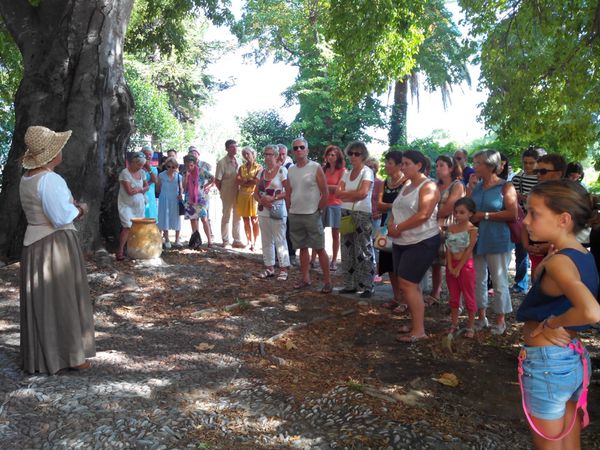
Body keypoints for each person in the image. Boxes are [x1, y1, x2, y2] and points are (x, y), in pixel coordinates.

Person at [516, 179, 600, 449]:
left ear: (563, 219)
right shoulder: (581, 254)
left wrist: (555, 322)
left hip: (549, 365)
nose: (526, 220)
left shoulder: (561, 262)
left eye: (533, 213)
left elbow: (591, 311)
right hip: (570, 359)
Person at [19, 125, 95, 373]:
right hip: (54, 245)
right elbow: (61, 216)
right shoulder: (50, 179)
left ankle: (43, 356)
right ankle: (71, 356)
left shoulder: (27, 178)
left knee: (44, 301)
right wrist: (80, 208)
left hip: (34, 244)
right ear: (51, 155)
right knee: (62, 299)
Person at [387, 150, 441, 342]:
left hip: (422, 240)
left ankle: (419, 331)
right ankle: (415, 324)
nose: (402, 167)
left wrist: (398, 227)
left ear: (419, 165)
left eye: (406, 163)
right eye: (402, 163)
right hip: (402, 240)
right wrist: (391, 224)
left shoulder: (429, 186)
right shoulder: (407, 185)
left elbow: (424, 214)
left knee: (408, 284)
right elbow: (396, 207)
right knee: (409, 286)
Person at [468, 149, 518, 335]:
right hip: (477, 240)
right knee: (477, 280)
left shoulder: (506, 187)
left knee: (498, 281)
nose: (474, 167)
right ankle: (482, 318)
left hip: (498, 240)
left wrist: (485, 215)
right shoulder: (477, 186)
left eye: (478, 163)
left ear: (490, 165)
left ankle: (500, 320)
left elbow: (512, 214)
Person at [286, 137, 332, 293]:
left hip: (311, 214)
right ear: (292, 151)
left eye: (301, 147)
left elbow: (325, 192)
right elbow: (289, 191)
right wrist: (288, 207)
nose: (298, 150)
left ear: (307, 149)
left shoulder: (315, 167)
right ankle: (305, 278)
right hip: (295, 214)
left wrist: (318, 209)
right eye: (295, 148)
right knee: (302, 248)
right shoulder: (290, 169)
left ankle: (327, 281)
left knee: (319, 248)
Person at [336, 142, 375, 298]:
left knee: (364, 249)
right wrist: (351, 193)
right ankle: (349, 284)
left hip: (362, 213)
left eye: (357, 154)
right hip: (346, 212)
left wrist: (346, 193)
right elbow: (338, 193)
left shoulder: (367, 172)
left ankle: (367, 285)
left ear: (363, 155)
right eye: (351, 153)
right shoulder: (347, 173)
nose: (353, 156)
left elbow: (363, 194)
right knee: (347, 249)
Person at [522, 153, 567, 277]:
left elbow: (574, 229)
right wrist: (526, 244)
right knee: (537, 285)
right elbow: (526, 220)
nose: (538, 175)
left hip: (558, 253)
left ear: (558, 173)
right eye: (537, 171)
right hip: (535, 250)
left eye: (543, 171)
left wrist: (550, 245)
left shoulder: (567, 197)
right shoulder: (536, 193)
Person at [430, 155, 465, 304]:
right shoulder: (434, 185)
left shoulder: (457, 185)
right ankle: (435, 293)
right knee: (435, 263)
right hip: (433, 228)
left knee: (455, 263)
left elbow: (449, 207)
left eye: (442, 165)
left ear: (451, 168)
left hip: (452, 228)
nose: (438, 168)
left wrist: (426, 214)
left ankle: (457, 299)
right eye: (436, 165)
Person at [377, 151, 408, 314]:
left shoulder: (407, 183)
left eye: (389, 162)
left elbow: (406, 206)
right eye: (386, 162)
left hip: (402, 227)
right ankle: (396, 297)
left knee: (401, 265)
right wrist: (394, 206)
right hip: (385, 228)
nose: (386, 165)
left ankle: (405, 300)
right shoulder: (385, 182)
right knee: (389, 263)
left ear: (398, 164)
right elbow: (379, 205)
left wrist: (390, 206)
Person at [254, 144, 290, 280]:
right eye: (265, 154)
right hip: (263, 210)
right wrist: (262, 201)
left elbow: (287, 191)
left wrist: (273, 197)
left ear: (275, 156)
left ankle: (284, 268)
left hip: (277, 210)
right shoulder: (261, 172)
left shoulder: (282, 171)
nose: (267, 157)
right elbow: (255, 193)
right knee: (266, 239)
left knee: (280, 239)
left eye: (269, 154)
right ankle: (269, 267)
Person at [445, 197, 478, 338]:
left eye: (462, 212)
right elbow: (448, 248)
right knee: (453, 296)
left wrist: (458, 267)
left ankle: (471, 326)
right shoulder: (451, 228)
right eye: (456, 212)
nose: (458, 215)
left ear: (470, 213)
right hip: (451, 266)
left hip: (465, 266)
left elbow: (469, 249)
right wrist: (450, 265)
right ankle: (454, 324)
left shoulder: (472, 229)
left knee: (468, 295)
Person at [310, 145, 345, 271]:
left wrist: (324, 186)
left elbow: (339, 189)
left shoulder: (342, 171)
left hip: (336, 204)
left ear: (338, 157)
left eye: (333, 155)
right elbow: (316, 185)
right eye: (328, 154)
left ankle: (334, 261)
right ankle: (313, 259)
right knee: (318, 231)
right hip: (322, 202)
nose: (330, 157)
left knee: (336, 234)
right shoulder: (322, 169)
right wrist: (328, 187)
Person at [511, 146, 541, 293]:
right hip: (523, 219)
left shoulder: (541, 178)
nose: (528, 166)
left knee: (537, 253)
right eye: (525, 162)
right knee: (521, 253)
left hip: (539, 221)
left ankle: (538, 285)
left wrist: (527, 198)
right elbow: (513, 199)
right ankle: (521, 283)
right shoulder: (517, 178)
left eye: (531, 162)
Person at [117, 152, 149, 260]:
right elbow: (129, 191)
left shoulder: (142, 172)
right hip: (126, 204)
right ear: (132, 163)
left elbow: (146, 187)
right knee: (127, 227)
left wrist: (139, 189)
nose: (140, 167)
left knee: (138, 228)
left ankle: (135, 250)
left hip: (139, 205)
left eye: (141, 166)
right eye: (138, 165)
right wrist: (141, 190)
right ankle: (120, 251)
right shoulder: (124, 173)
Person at [215, 139, 244, 248]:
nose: (234, 148)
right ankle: (225, 240)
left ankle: (236, 240)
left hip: (239, 193)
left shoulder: (239, 161)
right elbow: (217, 180)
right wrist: (222, 191)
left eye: (236, 146)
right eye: (232, 147)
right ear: (227, 149)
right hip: (227, 193)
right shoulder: (222, 162)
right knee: (226, 216)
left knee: (237, 216)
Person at [183, 154, 213, 248]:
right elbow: (184, 188)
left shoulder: (201, 171)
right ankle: (196, 241)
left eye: (191, 165)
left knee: (204, 219)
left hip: (201, 199)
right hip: (189, 200)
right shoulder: (185, 173)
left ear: (195, 164)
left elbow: (213, 178)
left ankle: (209, 241)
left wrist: (206, 186)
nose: (189, 167)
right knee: (193, 220)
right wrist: (187, 177)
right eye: (187, 166)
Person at [236, 146, 261, 251]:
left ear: (253, 154)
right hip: (242, 195)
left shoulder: (259, 167)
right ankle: (249, 241)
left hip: (254, 195)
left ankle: (255, 242)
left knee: (254, 219)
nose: (246, 156)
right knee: (245, 220)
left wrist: (246, 180)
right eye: (244, 154)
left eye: (248, 154)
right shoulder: (241, 168)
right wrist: (248, 180)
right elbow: (238, 181)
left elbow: (257, 181)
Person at [157, 156, 183, 248]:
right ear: (166, 166)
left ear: (176, 167)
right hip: (164, 198)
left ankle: (177, 239)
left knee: (176, 218)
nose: (171, 169)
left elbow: (181, 188)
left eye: (173, 167)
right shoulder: (161, 175)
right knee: (164, 218)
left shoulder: (179, 176)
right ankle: (167, 239)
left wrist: (181, 195)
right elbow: (158, 187)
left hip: (175, 199)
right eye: (169, 166)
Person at [365, 157, 384, 282]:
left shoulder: (380, 182)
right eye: (369, 166)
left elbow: (382, 201)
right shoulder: (364, 182)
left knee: (377, 244)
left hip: (376, 217)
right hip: (365, 215)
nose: (371, 169)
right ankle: (367, 270)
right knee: (366, 244)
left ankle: (378, 272)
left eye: (373, 166)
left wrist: (379, 212)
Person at [141, 146, 158, 220]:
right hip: (139, 194)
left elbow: (154, 181)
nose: (148, 156)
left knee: (150, 215)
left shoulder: (154, 169)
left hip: (150, 195)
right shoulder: (138, 168)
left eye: (150, 154)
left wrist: (149, 169)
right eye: (145, 154)